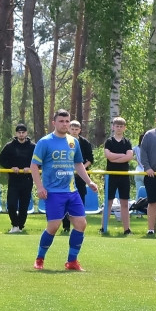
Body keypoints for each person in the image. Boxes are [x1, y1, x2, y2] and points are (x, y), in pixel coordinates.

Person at [30, 109, 98, 272]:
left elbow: (78, 164)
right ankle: (40, 258)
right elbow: (34, 166)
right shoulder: (45, 142)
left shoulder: (73, 142)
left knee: (81, 224)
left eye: (67, 121)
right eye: (61, 121)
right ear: (54, 123)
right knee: (53, 227)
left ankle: (72, 261)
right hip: (53, 192)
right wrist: (40, 187)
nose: (65, 124)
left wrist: (89, 182)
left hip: (72, 191)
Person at [0, 123, 36, 233]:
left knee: (24, 205)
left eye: (23, 132)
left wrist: (31, 168)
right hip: (14, 180)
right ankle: (14, 225)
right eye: (19, 132)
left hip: (27, 180)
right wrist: (11, 167)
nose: (21, 134)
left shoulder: (33, 147)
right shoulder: (10, 146)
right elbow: (1, 160)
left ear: (26, 133)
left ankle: (20, 226)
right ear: (16, 133)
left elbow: (40, 161)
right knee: (12, 204)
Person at [102, 116, 135, 235]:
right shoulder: (109, 141)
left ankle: (127, 229)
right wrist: (122, 156)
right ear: (113, 127)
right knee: (108, 202)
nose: (119, 128)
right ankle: (103, 228)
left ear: (124, 128)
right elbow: (108, 155)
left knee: (124, 203)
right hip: (111, 175)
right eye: (117, 126)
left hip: (124, 175)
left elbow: (129, 156)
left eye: (121, 126)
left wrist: (115, 157)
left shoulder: (127, 142)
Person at [62, 120, 95, 233]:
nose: (74, 131)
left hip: (80, 176)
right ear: (69, 129)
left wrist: (82, 168)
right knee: (65, 199)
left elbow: (90, 159)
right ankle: (66, 226)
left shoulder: (85, 143)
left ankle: (79, 226)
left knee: (80, 199)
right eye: (72, 129)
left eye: (77, 129)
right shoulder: (63, 141)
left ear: (80, 130)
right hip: (66, 174)